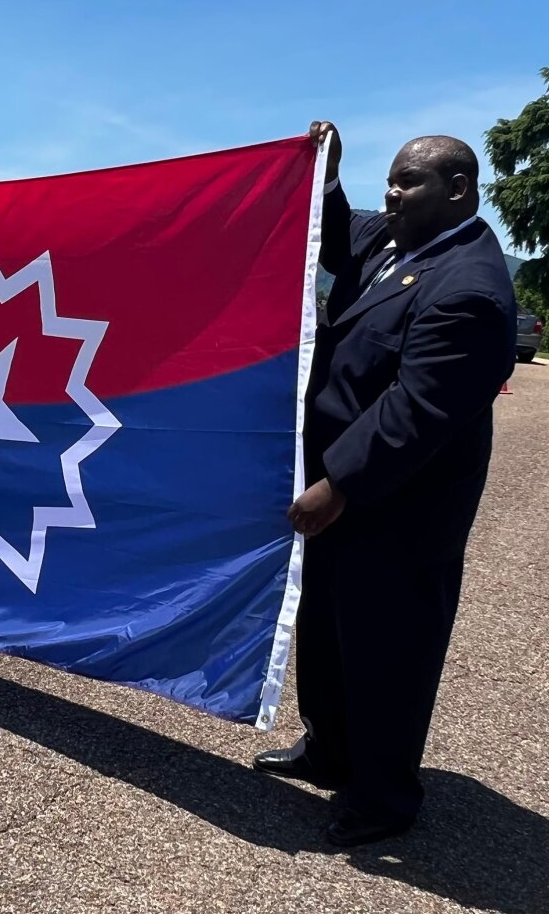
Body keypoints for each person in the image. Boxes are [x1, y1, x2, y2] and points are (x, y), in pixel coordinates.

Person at [254, 122, 517, 847]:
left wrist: (335, 483)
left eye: (408, 182)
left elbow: (417, 407)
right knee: (330, 631)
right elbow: (337, 234)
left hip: (400, 507)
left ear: (458, 189)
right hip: (351, 493)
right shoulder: (397, 242)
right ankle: (329, 748)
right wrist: (327, 175)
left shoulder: (470, 286)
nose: (391, 193)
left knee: (388, 649)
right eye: (390, 180)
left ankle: (383, 796)